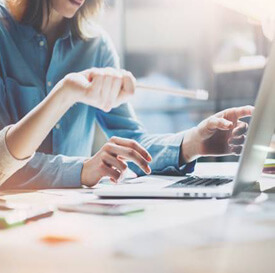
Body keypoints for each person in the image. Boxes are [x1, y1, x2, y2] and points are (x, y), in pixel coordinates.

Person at [0, 0, 253, 189]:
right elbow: (4, 162)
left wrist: (192, 143)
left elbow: (130, 140)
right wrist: (82, 170)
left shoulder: (96, 45)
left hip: (71, 216)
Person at [0, 67, 152, 186]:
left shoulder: (97, 44)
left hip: (80, 205)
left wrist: (176, 148)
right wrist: (82, 170)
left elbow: (133, 142)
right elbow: (6, 167)